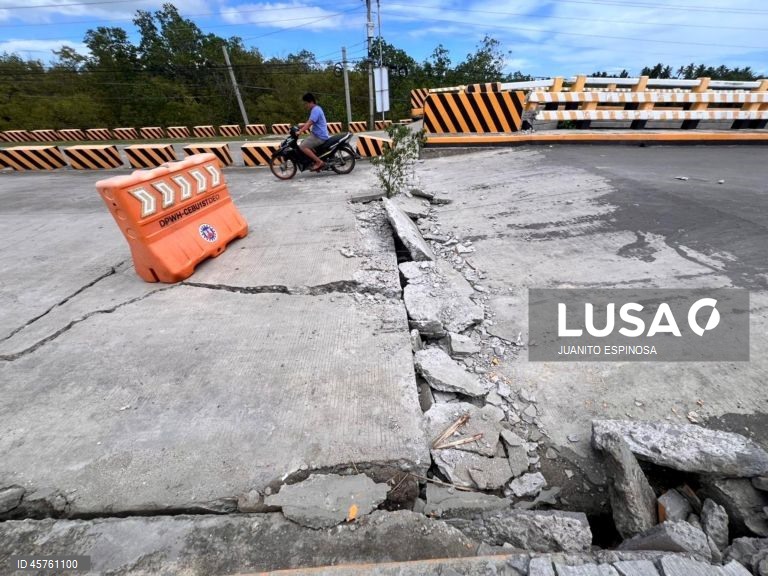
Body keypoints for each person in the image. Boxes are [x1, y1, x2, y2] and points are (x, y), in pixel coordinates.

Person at [297, 92, 329, 172]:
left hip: (319, 136)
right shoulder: (316, 109)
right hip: (317, 135)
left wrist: (300, 131)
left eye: (306, 103)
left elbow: (309, 124)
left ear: (311, 102)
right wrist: (300, 126)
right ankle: (315, 161)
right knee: (303, 142)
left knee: (303, 147)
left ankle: (319, 162)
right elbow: (309, 122)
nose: (305, 105)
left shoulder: (315, 110)